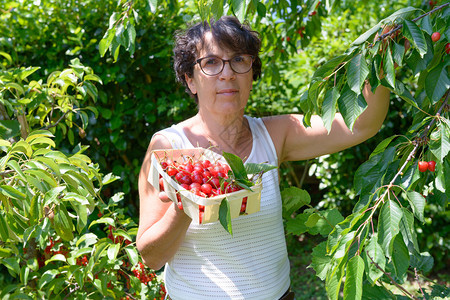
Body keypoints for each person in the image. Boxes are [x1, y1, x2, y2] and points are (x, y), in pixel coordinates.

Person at [136, 16, 390, 300]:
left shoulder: (276, 133)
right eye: (210, 63)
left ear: (251, 73)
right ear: (190, 80)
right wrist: (185, 205)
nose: (227, 73)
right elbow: (151, 257)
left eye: (239, 60)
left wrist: (379, 55)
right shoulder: (169, 148)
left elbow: (364, 124)